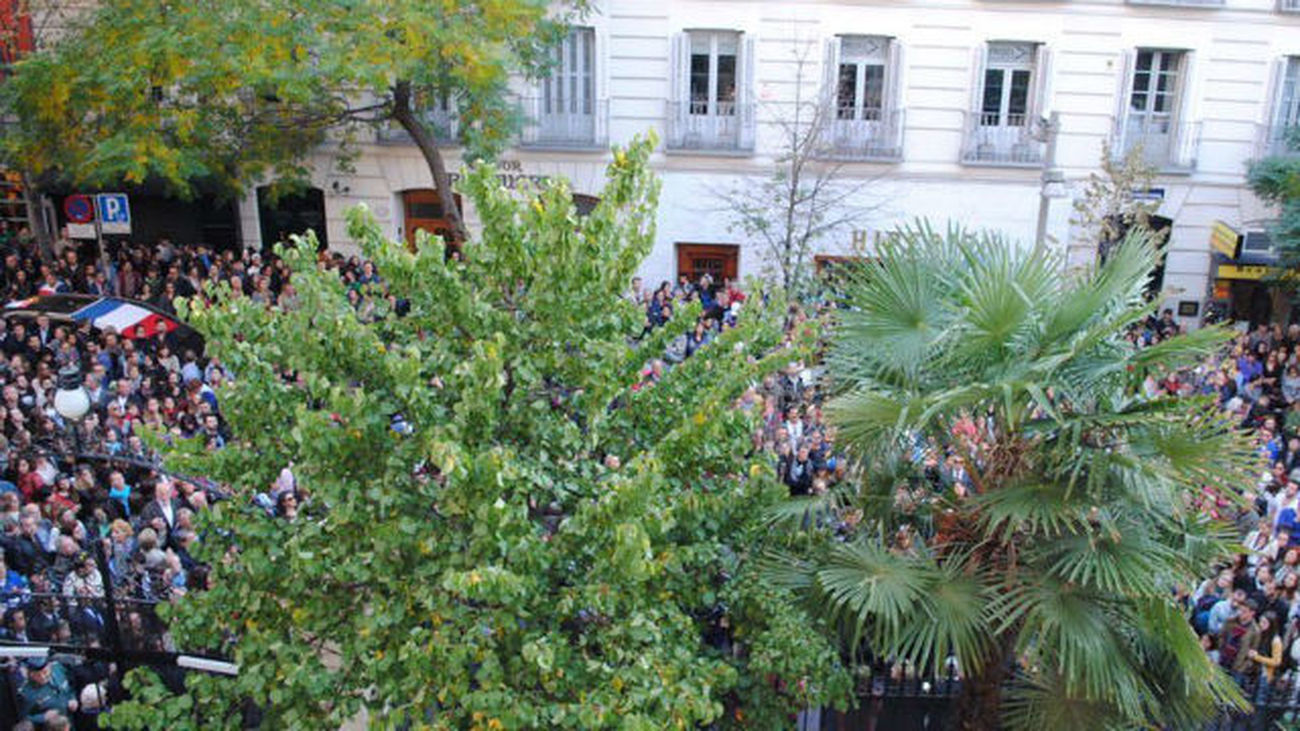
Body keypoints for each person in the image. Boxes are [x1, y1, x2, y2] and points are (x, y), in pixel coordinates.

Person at [18, 657, 78, 727]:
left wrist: (73, 698)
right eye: (37, 675)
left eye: (45, 672)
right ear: (30, 675)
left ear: (50, 667)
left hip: (69, 721)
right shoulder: (26, 692)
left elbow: (70, 687)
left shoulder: (58, 669)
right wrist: (43, 717)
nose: (43, 677)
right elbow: (24, 718)